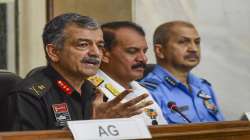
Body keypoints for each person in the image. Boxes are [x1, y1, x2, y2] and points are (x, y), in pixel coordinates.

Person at [8, 13, 152, 130]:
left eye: (100, 46)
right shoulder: (29, 96)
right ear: (54, 52)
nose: (96, 53)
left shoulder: (98, 92)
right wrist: (95, 125)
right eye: (83, 45)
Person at [141, 21, 224, 124]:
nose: (194, 49)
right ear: (160, 51)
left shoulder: (203, 87)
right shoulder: (148, 92)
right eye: (183, 42)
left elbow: (222, 127)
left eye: (197, 42)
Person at [88, 21, 167, 125]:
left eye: (144, 51)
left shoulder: (140, 88)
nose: (143, 59)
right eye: (132, 51)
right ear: (104, 54)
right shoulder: (89, 91)